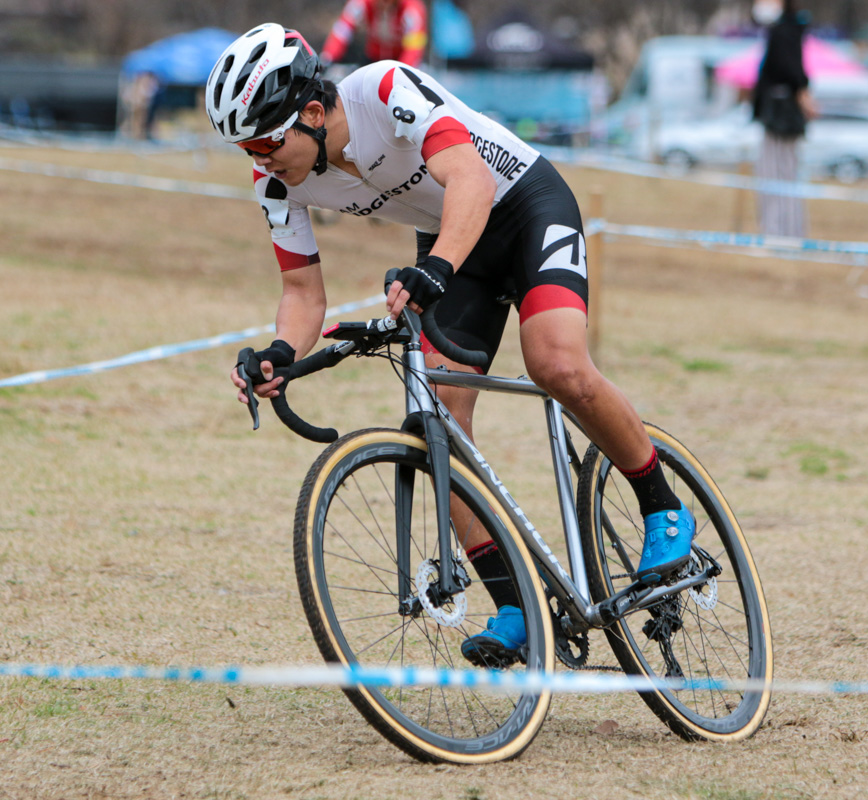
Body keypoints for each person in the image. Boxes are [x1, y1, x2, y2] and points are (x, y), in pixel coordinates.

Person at [208, 24, 696, 667]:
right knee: (440, 424)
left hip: (522, 204)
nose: (260, 159)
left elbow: (470, 179)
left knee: (554, 363)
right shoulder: (275, 182)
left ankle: (662, 506)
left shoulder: (383, 89)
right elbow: (302, 292)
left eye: (267, 141)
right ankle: (516, 604)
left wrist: (435, 269)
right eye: (246, 147)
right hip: (450, 242)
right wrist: (278, 352)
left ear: (315, 112)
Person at [751, 0, 815, 237]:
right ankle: (784, 230)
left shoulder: (784, 31)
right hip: (780, 117)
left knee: (778, 175)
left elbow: (794, 72)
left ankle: (779, 232)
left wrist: (805, 96)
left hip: (780, 119)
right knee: (782, 174)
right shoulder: (786, 30)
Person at [320, 0, 428, 69]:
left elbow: (414, 49)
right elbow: (341, 31)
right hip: (372, 61)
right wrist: (327, 58)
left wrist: (402, 72)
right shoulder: (361, 3)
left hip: (400, 62)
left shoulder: (412, 9)